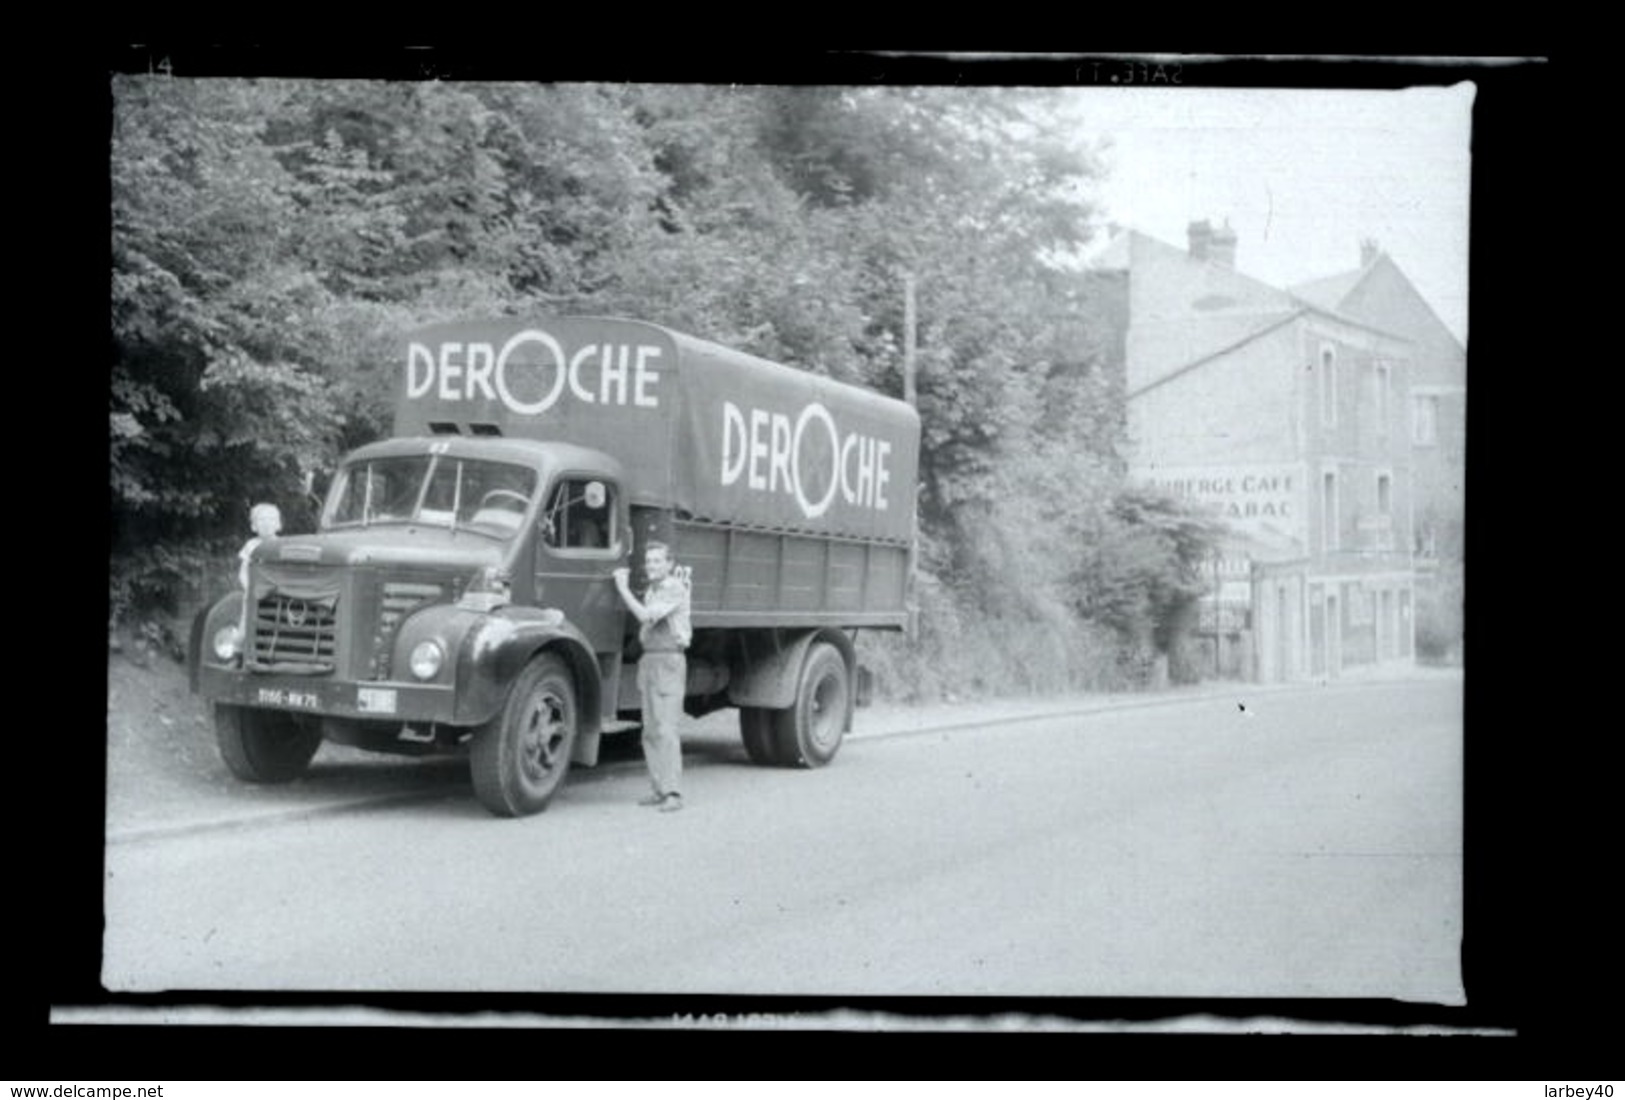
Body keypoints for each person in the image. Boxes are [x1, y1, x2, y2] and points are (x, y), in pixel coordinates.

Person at [613, 542, 692, 812]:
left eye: (657, 561)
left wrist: (622, 588)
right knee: (650, 730)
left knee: (666, 729)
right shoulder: (653, 590)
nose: (652, 566)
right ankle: (659, 788)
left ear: (670, 564)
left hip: (668, 660)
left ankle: (673, 793)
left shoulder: (672, 587)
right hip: (652, 660)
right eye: (649, 561)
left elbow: (647, 616)